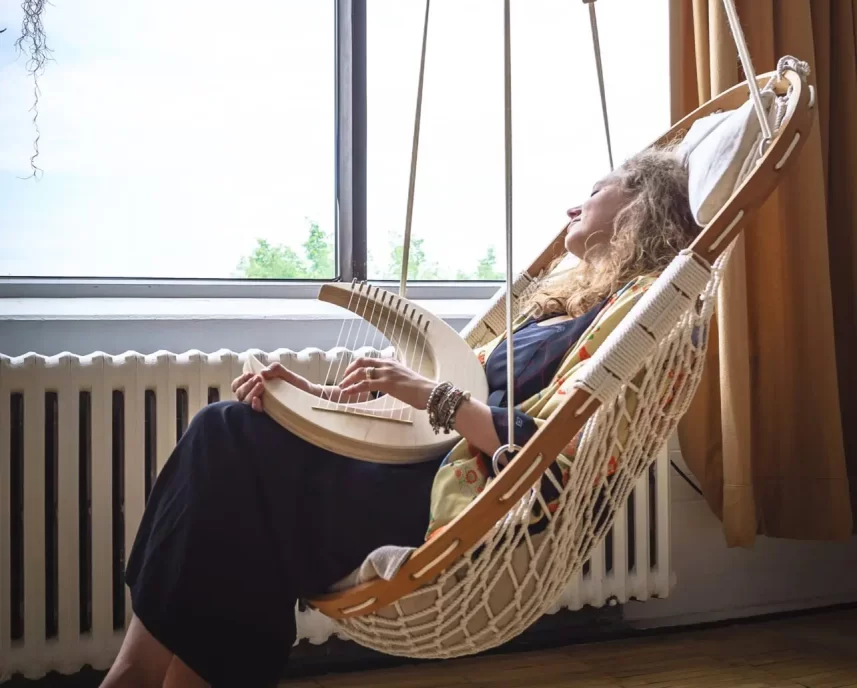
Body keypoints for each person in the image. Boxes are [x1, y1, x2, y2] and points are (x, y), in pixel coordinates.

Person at [101, 147, 698, 688]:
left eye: (597, 189)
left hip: (436, 500)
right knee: (238, 464)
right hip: (405, 470)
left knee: (227, 437)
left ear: (641, 207)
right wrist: (313, 399)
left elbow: (546, 453)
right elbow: (432, 413)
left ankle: (135, 673)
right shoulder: (558, 312)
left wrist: (430, 395)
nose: (573, 205)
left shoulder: (634, 322)